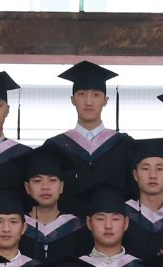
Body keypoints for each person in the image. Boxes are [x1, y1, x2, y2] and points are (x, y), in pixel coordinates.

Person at [47, 60, 136, 193]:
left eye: (96, 95)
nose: (88, 102)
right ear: (72, 100)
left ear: (105, 101)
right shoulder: (54, 147)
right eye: (81, 94)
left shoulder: (124, 145)